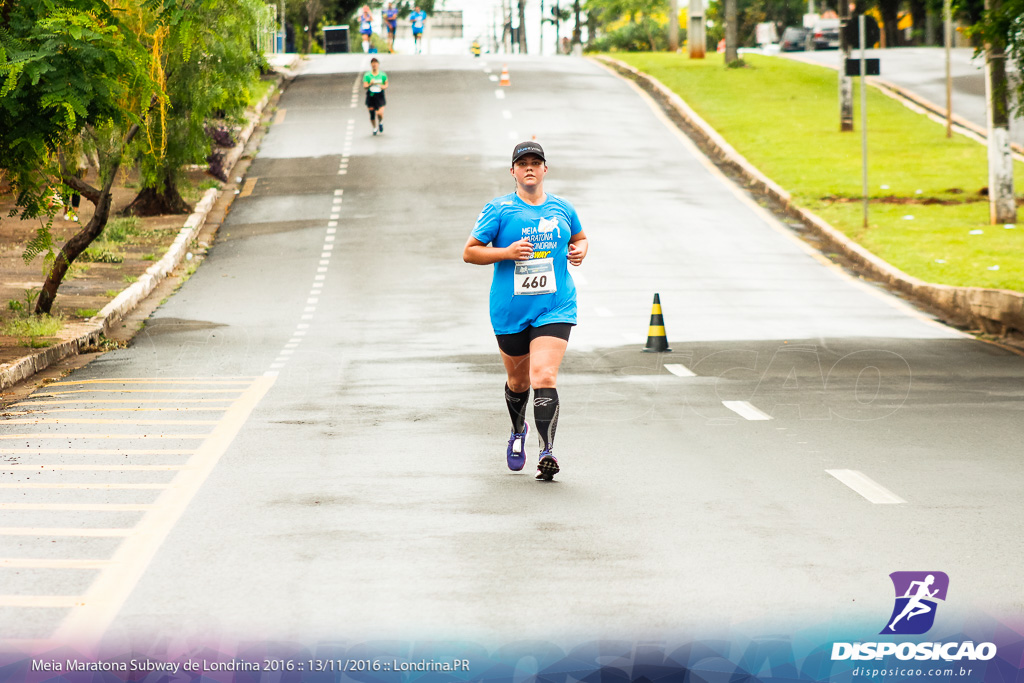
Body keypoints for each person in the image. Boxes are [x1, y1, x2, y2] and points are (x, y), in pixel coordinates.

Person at [462, 141, 589, 481]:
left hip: (555, 306)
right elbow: (470, 252)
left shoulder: (562, 207)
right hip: (510, 310)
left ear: (545, 169)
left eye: (536, 162)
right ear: (513, 171)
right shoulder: (499, 210)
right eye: (523, 164)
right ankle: (518, 430)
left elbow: (580, 237)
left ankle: (547, 451)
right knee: (518, 382)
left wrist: (579, 251)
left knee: (544, 376)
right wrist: (507, 252)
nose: (529, 168)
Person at [362, 57, 388, 136]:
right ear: (371, 65)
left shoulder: (382, 75)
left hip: (379, 95)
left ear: (378, 64)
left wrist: (381, 86)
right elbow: (365, 86)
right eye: (372, 63)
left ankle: (380, 122)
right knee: (372, 113)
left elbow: (386, 84)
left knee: (380, 113)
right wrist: (370, 83)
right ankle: (374, 128)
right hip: (371, 95)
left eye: (375, 63)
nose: (374, 64)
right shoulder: (367, 75)